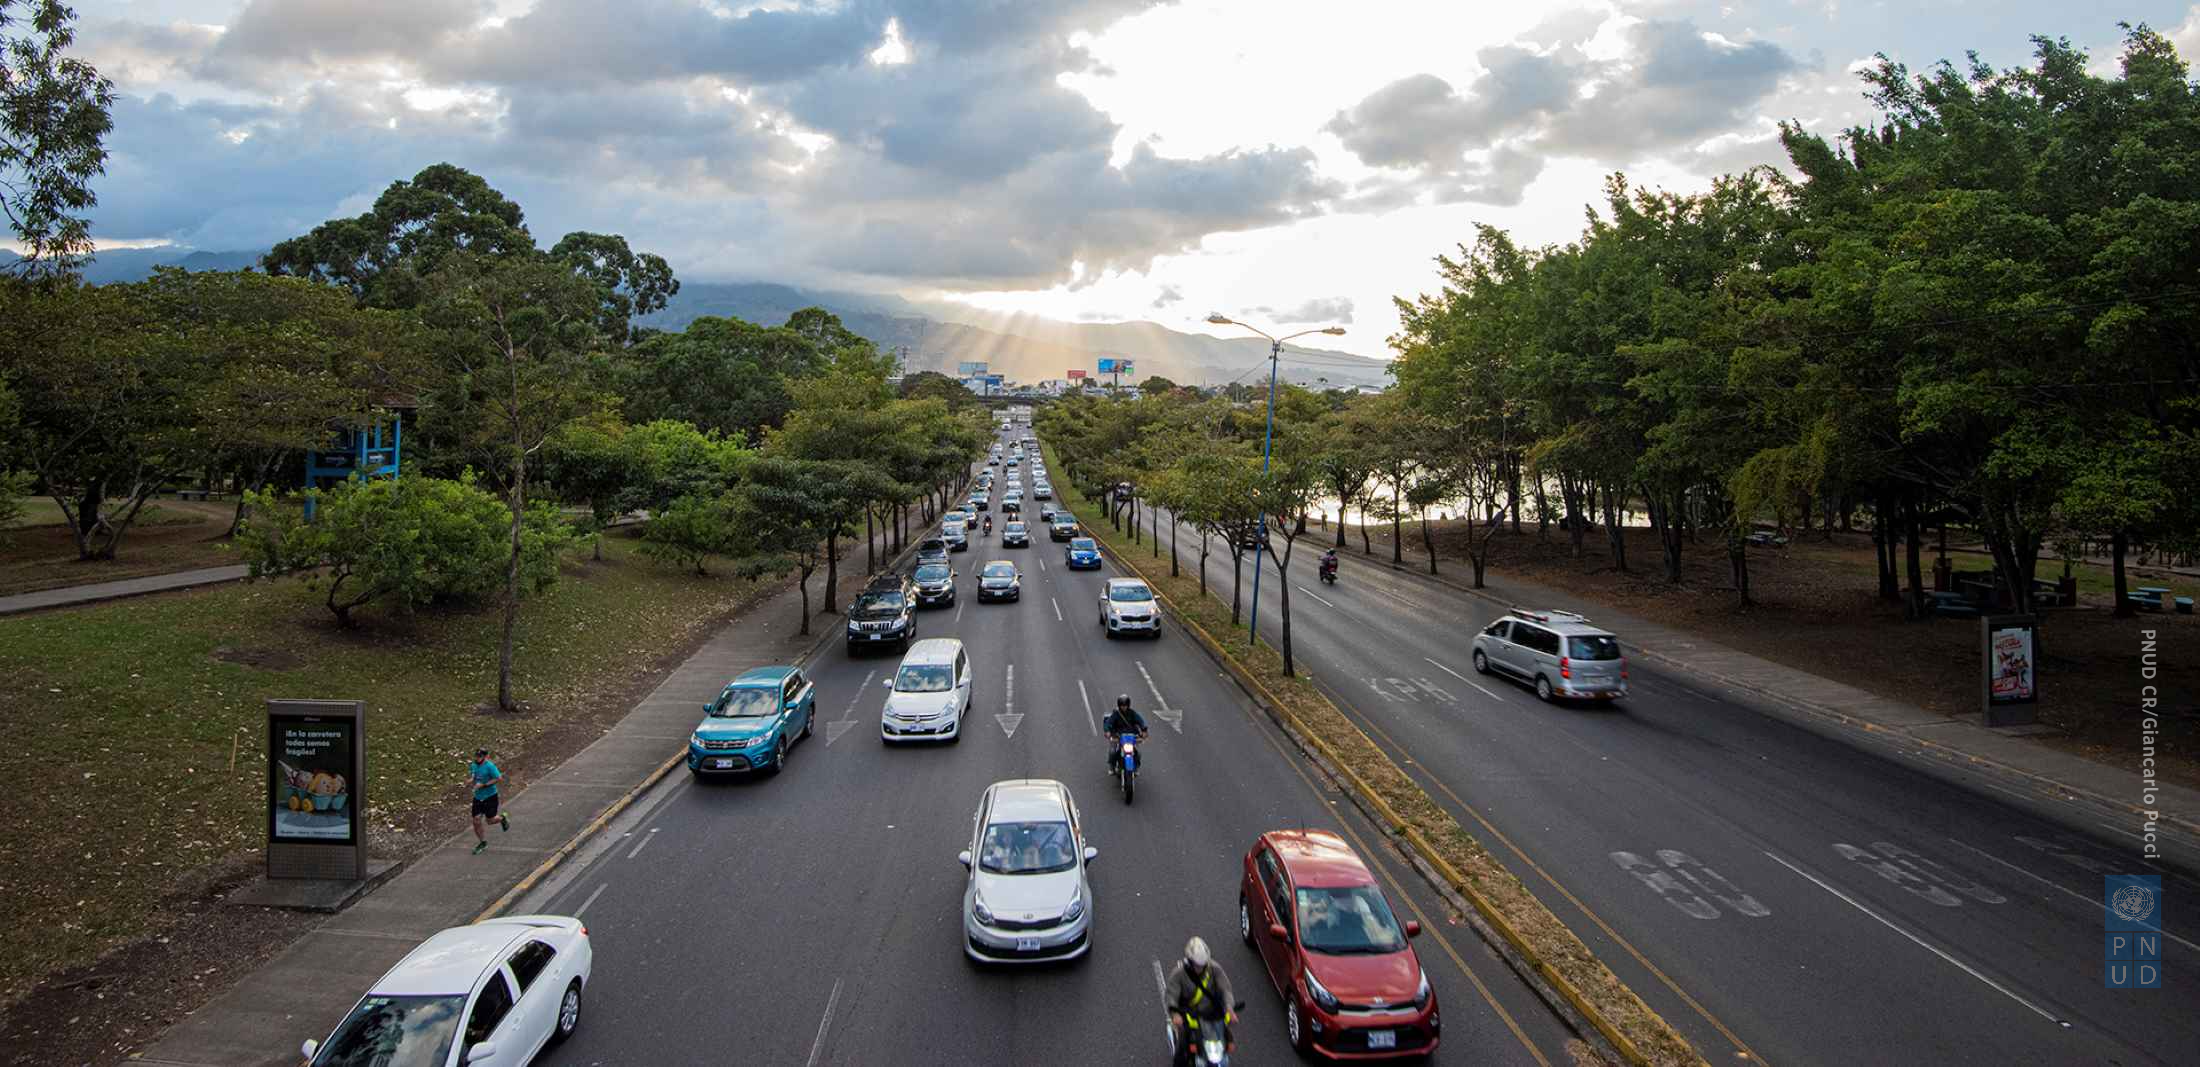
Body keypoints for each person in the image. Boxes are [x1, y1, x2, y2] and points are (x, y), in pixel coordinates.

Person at [1165, 936, 1236, 1065]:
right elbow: (1171, 996)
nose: (1201, 968)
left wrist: (1229, 1008)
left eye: (1203, 965)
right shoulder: (1178, 974)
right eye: (1197, 966)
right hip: (1189, 1016)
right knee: (1183, 1046)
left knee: (1227, 1038)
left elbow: (1226, 989)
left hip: (1211, 1014)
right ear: (1190, 962)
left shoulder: (1214, 969)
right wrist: (1175, 1015)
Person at [468, 749, 508, 854]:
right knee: (476, 820)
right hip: (478, 797)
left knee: (490, 821)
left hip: (490, 797)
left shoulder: (490, 766)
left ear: (485, 757)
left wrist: (484, 785)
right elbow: (473, 775)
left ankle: (502, 818)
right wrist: (471, 780)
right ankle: (482, 842)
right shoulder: (473, 765)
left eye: (480, 756)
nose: (477, 758)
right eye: (476, 756)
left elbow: (499, 778)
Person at [1102, 694, 1149, 773]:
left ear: (1128, 705)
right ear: (1119, 706)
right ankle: (1112, 767)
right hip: (1118, 736)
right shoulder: (1116, 714)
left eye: (1125, 705)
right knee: (1113, 752)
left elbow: (1140, 721)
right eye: (1122, 705)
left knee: (1138, 753)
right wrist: (1107, 731)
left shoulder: (1132, 713)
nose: (1124, 707)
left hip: (1131, 736)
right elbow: (1108, 723)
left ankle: (1136, 767)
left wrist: (1144, 730)